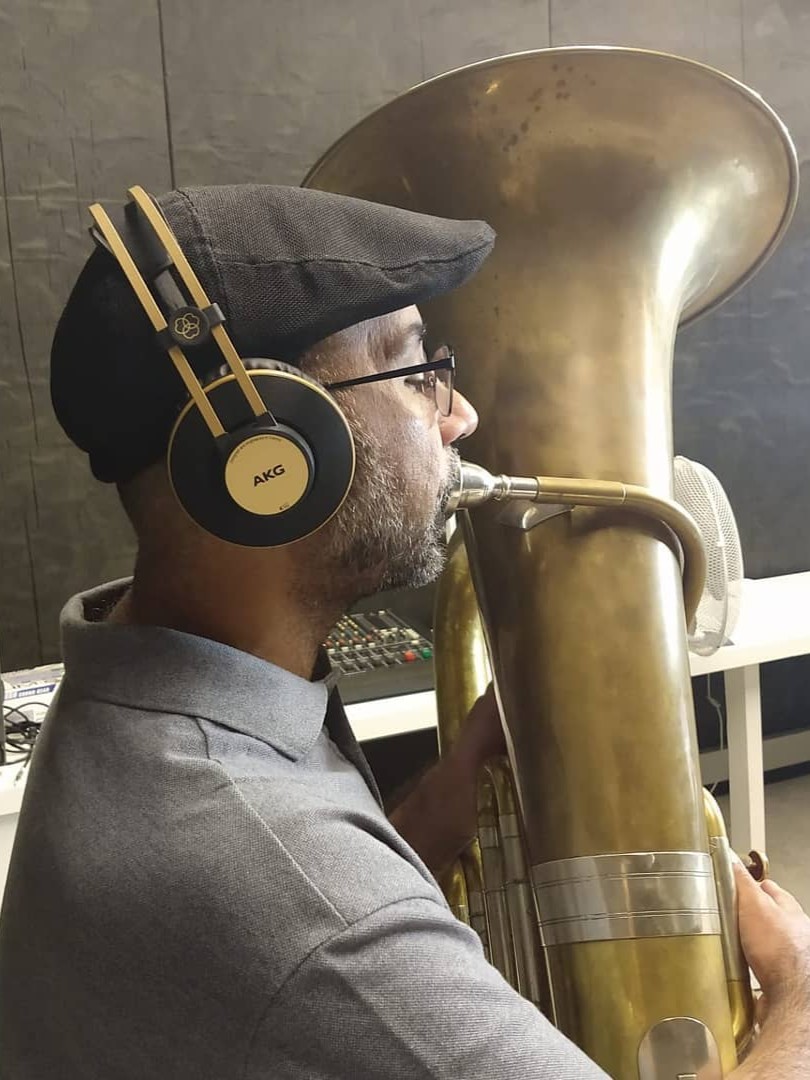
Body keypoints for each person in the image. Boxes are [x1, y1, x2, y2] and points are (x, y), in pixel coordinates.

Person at [0, 184, 807, 1079]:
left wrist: (433, 808)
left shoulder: (141, 677)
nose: (459, 416)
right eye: (419, 371)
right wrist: (801, 1003)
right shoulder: (291, 893)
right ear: (270, 457)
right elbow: (305, 919)